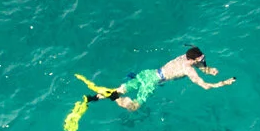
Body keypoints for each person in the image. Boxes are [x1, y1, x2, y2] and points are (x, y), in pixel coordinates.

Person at [90, 47, 236, 112]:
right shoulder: (188, 69)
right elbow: (205, 86)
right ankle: (114, 98)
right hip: (151, 82)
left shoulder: (185, 58)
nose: (203, 59)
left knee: (121, 88)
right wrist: (223, 83)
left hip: (148, 73)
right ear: (193, 60)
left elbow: (200, 66)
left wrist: (209, 70)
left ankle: (95, 97)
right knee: (133, 107)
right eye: (201, 58)